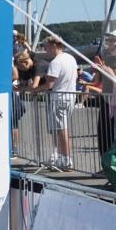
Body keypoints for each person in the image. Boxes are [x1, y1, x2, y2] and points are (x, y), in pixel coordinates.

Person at [37, 36, 78, 172]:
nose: (45, 49)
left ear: (54, 45)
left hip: (59, 97)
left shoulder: (56, 62)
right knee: (61, 129)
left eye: (45, 46)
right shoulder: (70, 58)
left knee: (61, 130)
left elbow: (49, 84)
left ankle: (66, 160)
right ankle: (61, 157)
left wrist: (32, 90)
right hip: (70, 96)